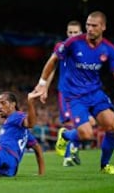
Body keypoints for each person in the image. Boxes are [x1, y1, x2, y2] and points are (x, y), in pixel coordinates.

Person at [34, 11, 114, 174]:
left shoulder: (109, 49)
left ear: (103, 27)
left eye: (94, 25)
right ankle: (66, 136)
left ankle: (105, 166)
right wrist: (42, 84)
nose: (90, 29)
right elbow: (53, 61)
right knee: (86, 134)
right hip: (74, 96)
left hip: (95, 93)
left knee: (112, 126)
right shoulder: (73, 43)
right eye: (88, 25)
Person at [40, 20, 84, 167]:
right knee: (72, 123)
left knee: (85, 126)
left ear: (81, 33)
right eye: (70, 32)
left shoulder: (87, 49)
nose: (72, 35)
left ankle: (65, 137)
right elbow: (52, 67)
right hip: (66, 92)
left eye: (75, 32)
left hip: (83, 92)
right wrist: (45, 87)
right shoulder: (61, 47)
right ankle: (69, 156)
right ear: (66, 33)